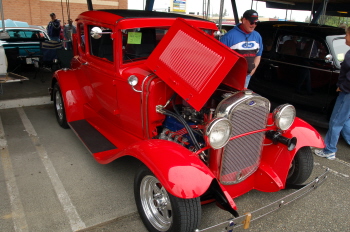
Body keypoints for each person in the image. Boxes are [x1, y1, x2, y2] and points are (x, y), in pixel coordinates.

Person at [314, 26, 350, 160]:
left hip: (347, 93)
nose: (345, 38)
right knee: (346, 119)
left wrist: (342, 87)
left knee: (336, 121)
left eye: (347, 35)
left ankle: (329, 149)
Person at [220, 9, 263, 88]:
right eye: (251, 22)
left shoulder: (257, 36)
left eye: (256, 23)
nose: (254, 25)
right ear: (244, 20)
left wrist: (251, 72)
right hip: (231, 78)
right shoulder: (229, 36)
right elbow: (220, 57)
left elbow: (258, 55)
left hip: (247, 76)